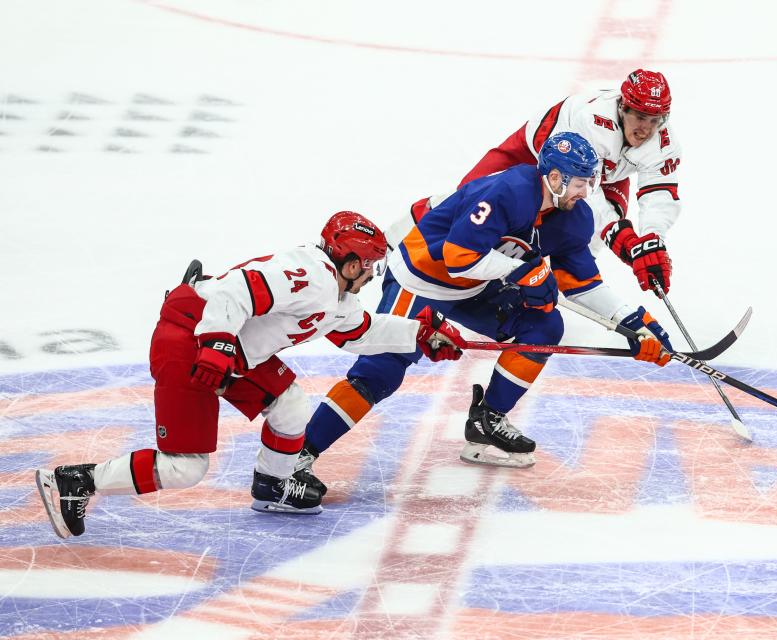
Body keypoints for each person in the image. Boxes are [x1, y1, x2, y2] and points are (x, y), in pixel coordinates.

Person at [35, 211, 466, 538]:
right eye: (369, 264)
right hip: (189, 342)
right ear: (350, 262)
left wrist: (420, 334)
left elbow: (361, 331)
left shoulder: (335, 295)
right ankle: (77, 480)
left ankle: (272, 485)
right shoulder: (311, 276)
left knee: (291, 404)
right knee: (186, 468)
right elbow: (235, 289)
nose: (372, 273)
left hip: (230, 350)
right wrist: (217, 342)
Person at [293, 132, 673, 487]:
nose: (585, 191)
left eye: (590, 182)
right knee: (380, 373)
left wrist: (634, 324)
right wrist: (522, 272)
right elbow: (458, 257)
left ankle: (487, 418)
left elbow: (583, 285)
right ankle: (297, 456)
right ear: (554, 178)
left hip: (475, 288)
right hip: (421, 281)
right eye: (579, 183)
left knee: (543, 324)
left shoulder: (575, 218)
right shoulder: (508, 190)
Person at [384, 68, 679, 296]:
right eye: (641, 117)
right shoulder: (590, 117)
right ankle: (391, 241)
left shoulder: (664, 142)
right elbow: (579, 182)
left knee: (586, 231)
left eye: (656, 120)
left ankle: (578, 288)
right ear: (623, 107)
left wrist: (652, 242)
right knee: (466, 198)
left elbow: (660, 192)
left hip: (603, 174)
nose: (647, 129)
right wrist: (620, 235)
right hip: (531, 156)